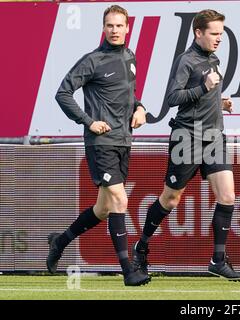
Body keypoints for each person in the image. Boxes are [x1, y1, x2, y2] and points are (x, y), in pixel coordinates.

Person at [131, 9, 240, 281]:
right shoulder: (187, 60)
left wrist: (219, 102)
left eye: (221, 34)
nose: (219, 39)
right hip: (187, 137)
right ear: (198, 33)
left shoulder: (214, 58)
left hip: (214, 137)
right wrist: (204, 88)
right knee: (170, 198)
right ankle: (141, 246)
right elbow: (173, 98)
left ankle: (217, 260)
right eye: (214, 34)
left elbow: (204, 95)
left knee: (227, 196)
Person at [47, 5, 150, 286]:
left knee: (103, 208)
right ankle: (128, 270)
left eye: (119, 25)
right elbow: (63, 93)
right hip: (100, 142)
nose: (114, 30)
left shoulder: (130, 57)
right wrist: (88, 121)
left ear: (128, 28)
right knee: (120, 200)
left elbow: (130, 95)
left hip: (123, 141)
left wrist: (140, 109)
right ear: (103, 28)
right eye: (109, 25)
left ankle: (60, 241)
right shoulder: (92, 60)